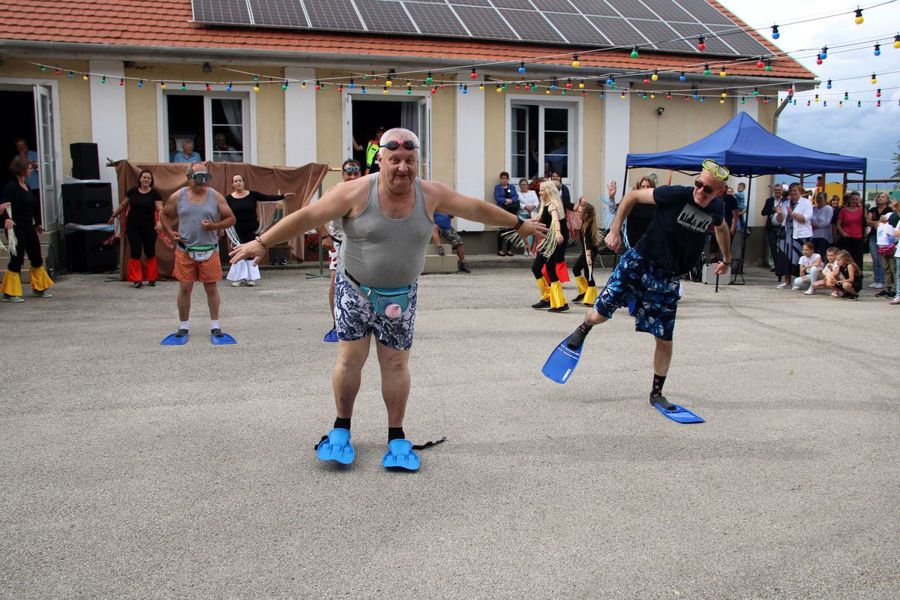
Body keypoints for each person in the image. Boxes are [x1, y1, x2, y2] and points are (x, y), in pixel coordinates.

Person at [228, 128, 544, 471]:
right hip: (355, 291)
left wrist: (518, 224)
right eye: (395, 160)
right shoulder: (354, 192)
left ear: (418, 162)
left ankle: (396, 436)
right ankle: (341, 429)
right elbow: (307, 216)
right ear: (381, 160)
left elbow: (475, 209)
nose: (403, 168)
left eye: (410, 160)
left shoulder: (431, 194)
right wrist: (262, 242)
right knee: (350, 360)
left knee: (395, 365)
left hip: (401, 297)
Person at [564, 159, 731, 412]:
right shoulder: (674, 194)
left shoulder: (716, 207)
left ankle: (657, 393)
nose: (700, 191)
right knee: (599, 315)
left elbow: (722, 228)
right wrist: (615, 230)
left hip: (667, 277)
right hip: (639, 262)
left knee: (664, 338)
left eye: (707, 189)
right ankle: (585, 326)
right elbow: (631, 197)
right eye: (698, 184)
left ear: (719, 192)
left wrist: (726, 259)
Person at [159, 162, 236, 343]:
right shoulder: (179, 196)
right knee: (185, 287)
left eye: (206, 177)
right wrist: (170, 232)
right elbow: (164, 214)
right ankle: (183, 327)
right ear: (189, 178)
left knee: (211, 287)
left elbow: (231, 218)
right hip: (185, 250)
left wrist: (214, 226)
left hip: (210, 250)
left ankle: (215, 326)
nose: (203, 181)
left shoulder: (214, 195)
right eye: (199, 177)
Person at [225, 173, 294, 287]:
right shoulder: (228, 199)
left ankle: (251, 278)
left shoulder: (252, 195)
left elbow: (266, 198)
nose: (238, 183)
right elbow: (221, 209)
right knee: (240, 252)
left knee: (251, 252)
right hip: (237, 230)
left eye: (240, 180)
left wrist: (282, 196)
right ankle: (239, 278)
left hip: (252, 229)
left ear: (243, 183)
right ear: (233, 184)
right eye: (236, 181)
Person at [0, 156, 53, 302]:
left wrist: (37, 224)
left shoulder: (27, 186)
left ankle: (39, 288)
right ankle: (9, 293)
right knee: (17, 259)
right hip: (16, 227)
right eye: (29, 168)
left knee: (36, 256)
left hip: (28, 226)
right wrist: (7, 219)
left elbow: (31, 207)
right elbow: (3, 205)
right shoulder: (11, 187)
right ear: (21, 169)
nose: (31, 170)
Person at [320, 160, 362, 342]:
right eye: (348, 173)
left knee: (365, 282)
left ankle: (364, 321)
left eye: (355, 173)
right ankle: (337, 324)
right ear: (343, 174)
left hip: (361, 243)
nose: (351, 177)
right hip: (338, 242)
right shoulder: (334, 192)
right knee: (335, 282)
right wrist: (324, 236)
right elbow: (313, 212)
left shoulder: (367, 190)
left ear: (360, 174)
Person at [110, 169, 163, 288]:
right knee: (135, 252)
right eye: (144, 177)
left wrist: (159, 222)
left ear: (151, 180)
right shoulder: (133, 192)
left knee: (150, 252)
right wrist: (114, 215)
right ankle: (136, 279)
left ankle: (151, 278)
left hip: (149, 227)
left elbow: (160, 209)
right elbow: (123, 205)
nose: (146, 179)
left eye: (148, 178)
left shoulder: (155, 194)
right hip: (133, 227)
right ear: (140, 179)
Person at [530, 180, 569, 312]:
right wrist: (518, 223)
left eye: (542, 190)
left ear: (548, 191)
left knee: (551, 269)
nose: (540, 192)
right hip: (548, 240)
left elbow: (556, 220)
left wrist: (557, 233)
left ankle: (560, 303)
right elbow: (536, 219)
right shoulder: (544, 205)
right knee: (536, 268)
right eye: (540, 190)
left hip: (554, 240)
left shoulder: (553, 205)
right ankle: (547, 298)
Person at [774, 183, 812, 289]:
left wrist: (792, 214)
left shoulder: (806, 203)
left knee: (801, 258)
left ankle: (800, 282)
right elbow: (779, 220)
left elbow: (805, 219)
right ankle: (787, 281)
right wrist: (779, 214)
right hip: (788, 234)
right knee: (787, 258)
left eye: (795, 190)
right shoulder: (785, 203)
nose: (793, 192)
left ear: (800, 191)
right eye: (791, 190)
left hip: (802, 235)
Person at [571, 201, 600, 305]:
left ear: (586, 214)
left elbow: (587, 243)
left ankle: (592, 298)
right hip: (586, 251)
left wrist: (588, 257)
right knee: (576, 269)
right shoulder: (585, 222)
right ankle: (584, 291)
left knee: (588, 274)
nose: (577, 213)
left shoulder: (588, 226)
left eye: (580, 212)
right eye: (578, 211)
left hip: (589, 251)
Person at [866, 191, 892, 290]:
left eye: (883, 197)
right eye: (879, 197)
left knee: (882, 260)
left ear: (887, 199)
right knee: (875, 259)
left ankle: (882, 280)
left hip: (884, 238)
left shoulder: (889, 210)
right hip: (873, 236)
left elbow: (886, 222)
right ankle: (876, 279)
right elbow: (868, 221)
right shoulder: (873, 209)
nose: (880, 198)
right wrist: (878, 222)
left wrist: (876, 223)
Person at [836, 191, 865, 276]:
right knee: (846, 257)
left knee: (857, 258)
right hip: (847, 237)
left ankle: (857, 275)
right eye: (853, 199)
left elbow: (866, 222)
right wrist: (842, 232)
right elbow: (838, 224)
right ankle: (845, 275)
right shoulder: (844, 210)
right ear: (849, 200)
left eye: (857, 199)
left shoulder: (862, 210)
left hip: (858, 237)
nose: (855, 201)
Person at [494, 171, 519, 256]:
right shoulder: (497, 187)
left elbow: (516, 196)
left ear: (508, 179)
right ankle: (500, 250)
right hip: (501, 211)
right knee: (502, 230)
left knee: (511, 230)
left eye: (505, 178)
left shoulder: (512, 187)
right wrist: (505, 200)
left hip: (511, 211)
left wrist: (511, 200)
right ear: (500, 179)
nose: (504, 180)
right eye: (502, 178)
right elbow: (497, 198)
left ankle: (509, 249)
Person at [761, 183, 784, 270]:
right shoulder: (769, 200)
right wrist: (772, 210)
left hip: (782, 227)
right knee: (773, 246)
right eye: (776, 190)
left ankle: (781, 264)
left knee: (781, 247)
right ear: (774, 191)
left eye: (779, 190)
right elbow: (763, 212)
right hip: (771, 227)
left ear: (782, 191)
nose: (777, 191)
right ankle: (776, 264)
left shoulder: (785, 200)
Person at [875, 212, 896, 298]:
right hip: (882, 248)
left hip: (891, 248)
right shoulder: (881, 224)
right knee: (886, 269)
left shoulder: (893, 223)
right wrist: (879, 220)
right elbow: (876, 226)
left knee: (893, 269)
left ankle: (895, 289)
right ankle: (887, 288)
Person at [517, 178, 539, 256]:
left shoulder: (532, 192)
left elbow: (537, 202)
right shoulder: (518, 194)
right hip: (522, 214)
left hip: (532, 214)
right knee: (524, 233)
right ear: (519, 186)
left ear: (527, 185)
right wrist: (525, 207)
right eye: (521, 185)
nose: (523, 186)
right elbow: (518, 203)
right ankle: (525, 250)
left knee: (531, 232)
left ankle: (532, 250)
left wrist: (532, 207)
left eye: (524, 184)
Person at [810, 191, 833, 258]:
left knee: (822, 255)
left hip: (823, 236)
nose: (818, 200)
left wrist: (816, 226)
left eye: (820, 198)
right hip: (813, 236)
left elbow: (827, 222)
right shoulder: (813, 208)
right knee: (813, 254)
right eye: (817, 198)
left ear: (825, 199)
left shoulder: (828, 208)